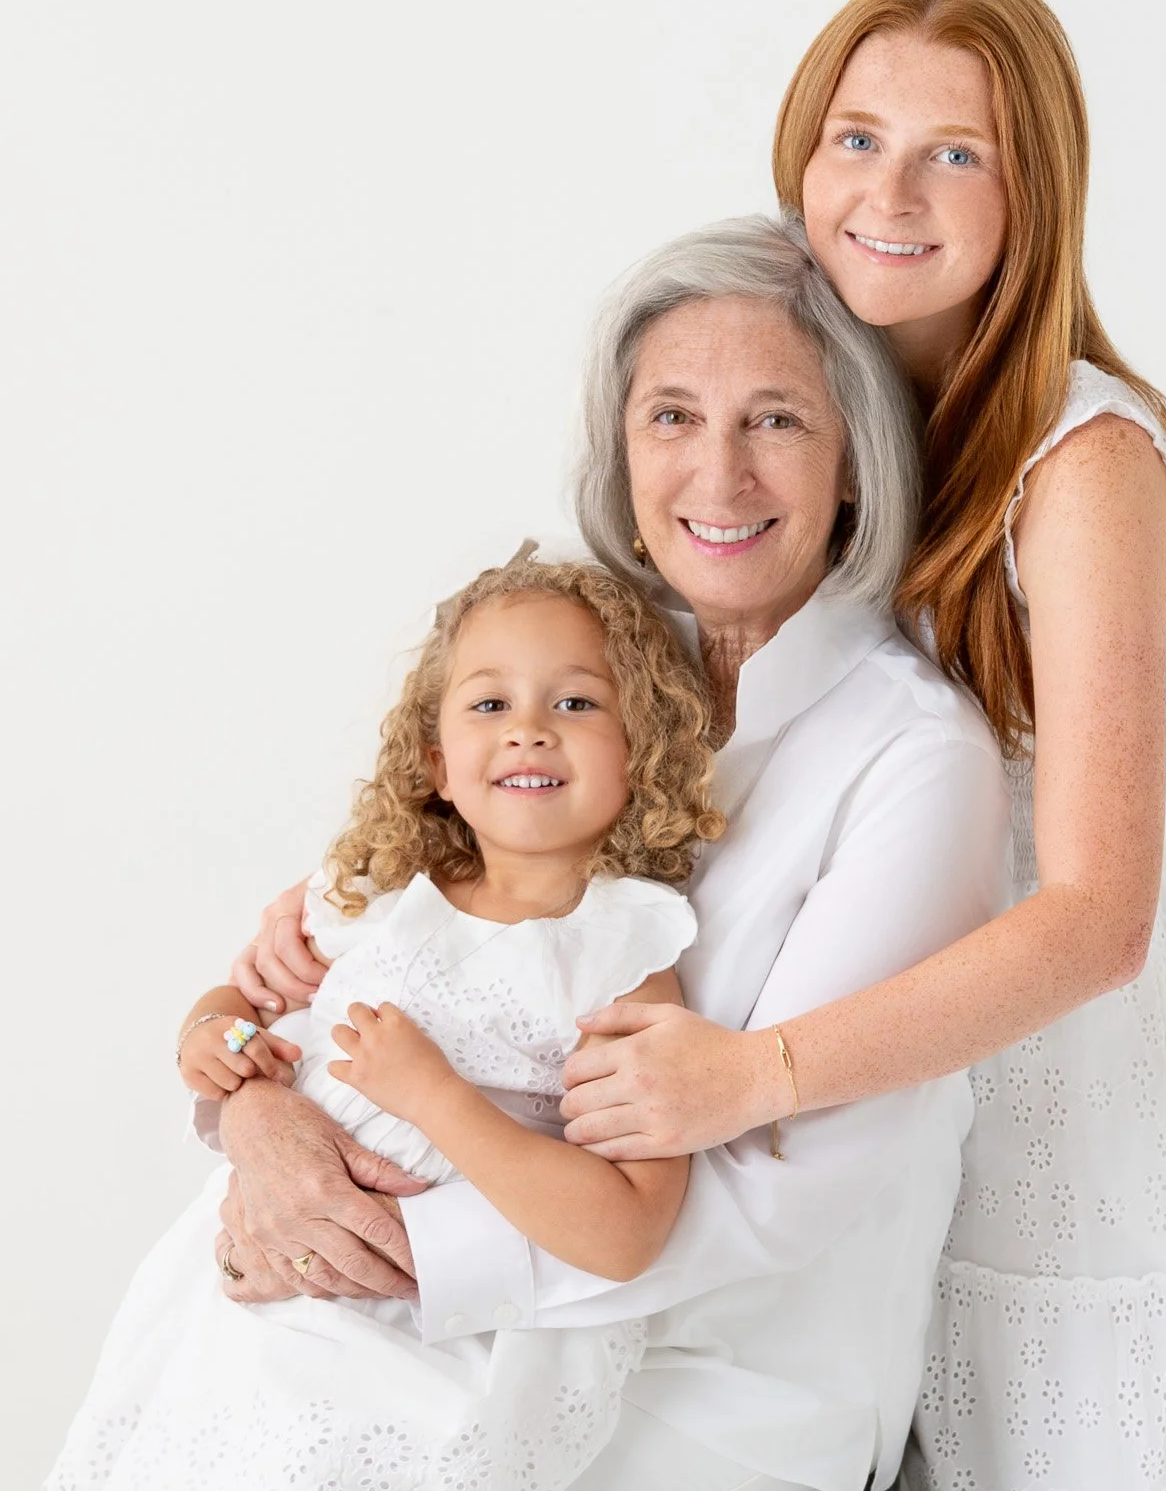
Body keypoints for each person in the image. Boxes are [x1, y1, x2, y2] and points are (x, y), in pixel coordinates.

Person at [558, 0, 1166, 1488]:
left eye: (955, 153)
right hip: (854, 1039)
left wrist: (755, 1079)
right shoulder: (798, 374)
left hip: (1036, 1070)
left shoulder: (1080, 466)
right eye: (855, 137)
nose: (888, 190)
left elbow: (1096, 920)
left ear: (1036, 193)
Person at [220, 217, 1013, 1490]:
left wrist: (389, 1244)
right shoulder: (570, 655)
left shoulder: (917, 759)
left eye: (777, 420)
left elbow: (773, 1185)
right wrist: (261, 1119)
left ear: (854, 460)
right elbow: (349, 951)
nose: (719, 474)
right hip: (439, 1305)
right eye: (672, 417)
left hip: (725, 1367)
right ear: (620, 446)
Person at [47, 558, 723, 1491]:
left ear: (640, 745)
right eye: (489, 705)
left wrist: (436, 1099)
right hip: (250, 1299)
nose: (527, 728)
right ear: (437, 761)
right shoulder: (370, 896)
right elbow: (236, 1011)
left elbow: (626, 1233)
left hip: (435, 1340)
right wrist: (214, 1037)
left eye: (575, 704)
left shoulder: (622, 955)